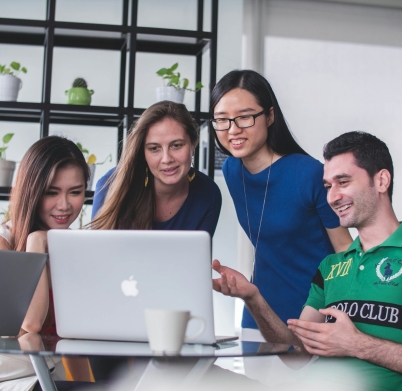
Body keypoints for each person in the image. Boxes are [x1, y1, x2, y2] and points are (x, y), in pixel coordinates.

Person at [213, 131, 402, 389]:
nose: (333, 197)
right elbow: (297, 355)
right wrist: (253, 298)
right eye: (328, 186)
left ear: (381, 181)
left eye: (343, 182)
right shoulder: (331, 267)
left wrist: (358, 345)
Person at [210, 69, 352, 336]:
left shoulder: (308, 174)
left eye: (245, 117)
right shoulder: (232, 170)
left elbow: (344, 250)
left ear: (270, 115)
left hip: (313, 315)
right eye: (222, 120)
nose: (233, 129)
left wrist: (341, 318)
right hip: (259, 313)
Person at [0, 136, 94, 389]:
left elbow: (73, 340)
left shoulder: (72, 248)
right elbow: (29, 325)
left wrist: (89, 386)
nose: (64, 206)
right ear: (32, 191)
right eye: (51, 193)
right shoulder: (4, 242)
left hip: (48, 376)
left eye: (75, 192)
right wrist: (36, 242)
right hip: (14, 377)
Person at [91, 100, 221, 238]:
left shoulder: (208, 194)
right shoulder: (111, 184)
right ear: (143, 152)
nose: (166, 159)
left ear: (193, 144)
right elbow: (97, 253)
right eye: (154, 148)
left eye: (176, 145)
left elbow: (197, 257)